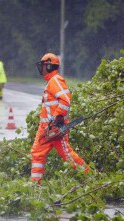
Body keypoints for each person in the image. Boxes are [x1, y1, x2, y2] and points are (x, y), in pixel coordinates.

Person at [30, 53, 90, 185]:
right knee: (37, 154)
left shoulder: (56, 80)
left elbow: (66, 101)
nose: (42, 68)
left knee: (68, 155)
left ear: (50, 66)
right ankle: (35, 184)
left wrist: (56, 119)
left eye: (44, 66)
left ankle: (91, 177)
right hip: (45, 129)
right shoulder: (51, 82)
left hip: (55, 128)